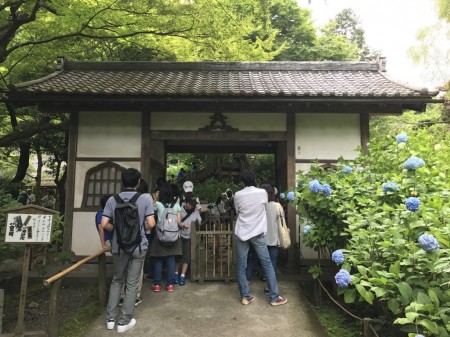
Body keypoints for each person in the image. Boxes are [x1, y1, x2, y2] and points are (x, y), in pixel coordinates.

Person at [100, 168, 155, 333]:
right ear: (138, 182)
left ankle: (110, 319)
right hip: (138, 246)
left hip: (118, 246)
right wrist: (138, 228)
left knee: (117, 280)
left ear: (123, 182)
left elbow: (104, 224)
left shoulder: (112, 200)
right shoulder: (145, 198)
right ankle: (124, 322)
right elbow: (151, 223)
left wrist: (118, 230)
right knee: (132, 284)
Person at [234, 169, 287, 306]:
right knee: (267, 264)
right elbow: (264, 206)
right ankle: (274, 298)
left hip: (242, 233)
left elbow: (238, 211)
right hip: (257, 233)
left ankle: (245, 296)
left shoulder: (238, 195)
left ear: (242, 182)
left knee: (242, 265)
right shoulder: (262, 193)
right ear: (255, 179)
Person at [246, 184, 281, 295]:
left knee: (252, 261)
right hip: (273, 240)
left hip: (259, 239)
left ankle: (245, 284)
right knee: (272, 264)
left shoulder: (259, 206)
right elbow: (281, 224)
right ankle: (270, 288)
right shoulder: (277, 206)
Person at [150, 182, 182, 292]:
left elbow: (149, 208)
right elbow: (178, 221)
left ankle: (157, 285)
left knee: (158, 259)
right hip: (173, 236)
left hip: (160, 236)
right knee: (171, 259)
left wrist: (156, 198)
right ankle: (169, 285)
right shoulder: (177, 205)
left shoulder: (158, 204)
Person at [175, 194, 202, 285]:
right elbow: (176, 222)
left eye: (194, 204)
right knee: (178, 255)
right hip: (179, 235)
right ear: (186, 202)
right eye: (191, 203)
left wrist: (199, 222)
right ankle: (175, 274)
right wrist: (182, 225)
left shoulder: (195, 211)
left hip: (189, 237)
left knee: (187, 257)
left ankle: (182, 275)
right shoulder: (179, 209)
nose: (193, 206)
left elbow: (200, 220)